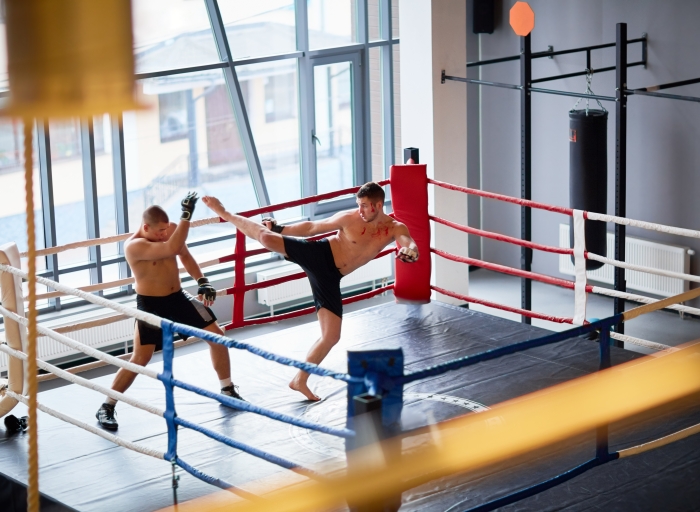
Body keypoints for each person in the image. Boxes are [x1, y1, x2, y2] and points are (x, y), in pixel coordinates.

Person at [202, 182, 418, 401]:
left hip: (331, 277)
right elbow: (312, 227)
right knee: (267, 238)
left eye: (364, 205)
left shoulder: (394, 228)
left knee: (331, 336)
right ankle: (225, 212)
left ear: (378, 205)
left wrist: (411, 251)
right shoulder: (349, 218)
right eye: (358, 204)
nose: (360, 210)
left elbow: (409, 243)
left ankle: (299, 380)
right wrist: (280, 229)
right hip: (319, 254)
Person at [96, 192, 243, 431]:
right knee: (141, 358)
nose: (165, 234)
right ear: (146, 227)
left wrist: (202, 281)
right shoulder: (134, 246)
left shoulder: (172, 229)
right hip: (151, 305)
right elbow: (171, 247)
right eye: (160, 231)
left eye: (167, 229)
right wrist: (186, 217)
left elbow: (183, 254)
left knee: (217, 336)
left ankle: (227, 389)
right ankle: (107, 406)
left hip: (178, 297)